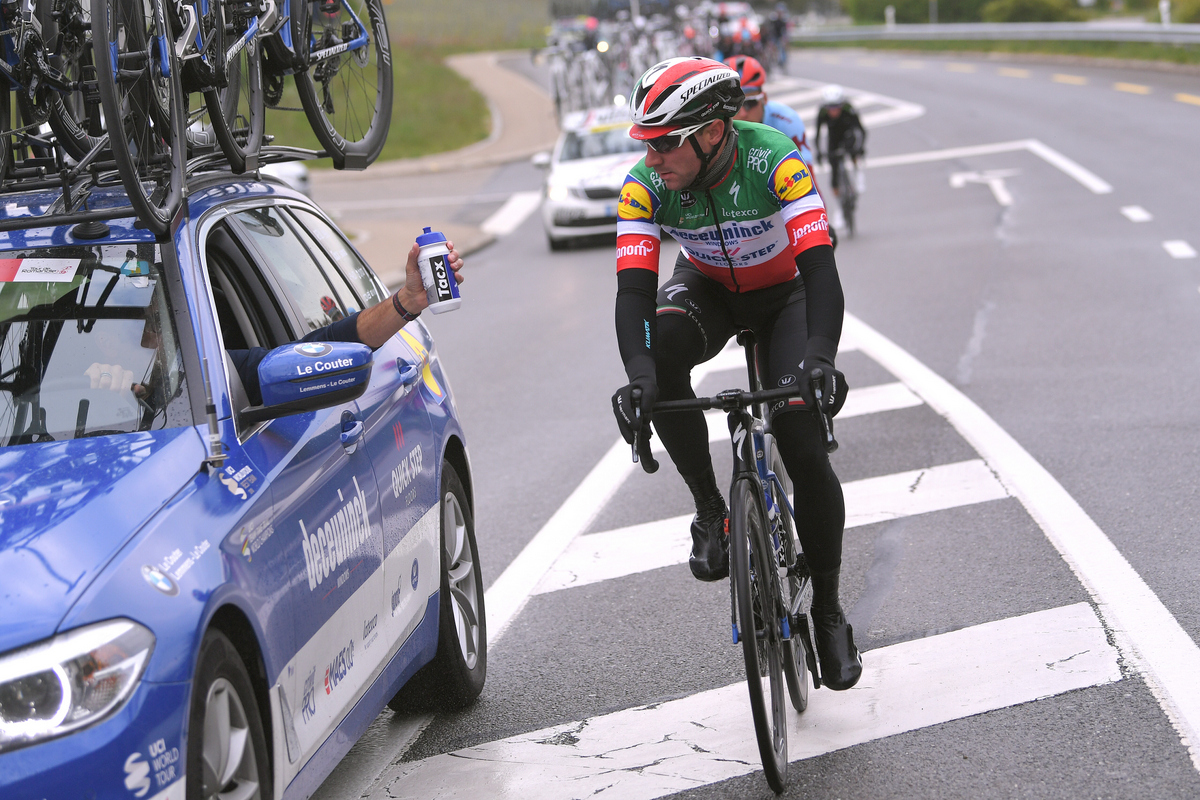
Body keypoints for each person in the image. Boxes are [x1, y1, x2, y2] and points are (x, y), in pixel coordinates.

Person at [610, 56, 861, 690]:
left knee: (802, 442)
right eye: (645, 142)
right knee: (661, 353)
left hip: (787, 297)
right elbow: (635, 293)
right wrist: (640, 373)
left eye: (665, 142)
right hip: (710, 290)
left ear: (712, 133)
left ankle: (828, 611)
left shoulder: (774, 157)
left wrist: (820, 358)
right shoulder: (645, 184)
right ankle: (710, 511)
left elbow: (822, 270)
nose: (653, 157)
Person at [91, 240, 465, 408]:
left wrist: (406, 302)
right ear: (97, 337)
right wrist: (104, 396)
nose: (147, 342)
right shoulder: (68, 384)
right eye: (132, 329)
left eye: (155, 327)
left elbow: (329, 344)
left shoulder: (212, 375)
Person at [814, 84, 866, 209]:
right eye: (830, 107)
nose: (833, 110)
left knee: (853, 145)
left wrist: (860, 147)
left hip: (847, 134)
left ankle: (858, 171)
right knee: (834, 174)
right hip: (833, 138)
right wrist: (819, 152)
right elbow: (818, 134)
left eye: (836, 106)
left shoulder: (849, 109)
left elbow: (861, 131)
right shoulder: (822, 112)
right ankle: (839, 208)